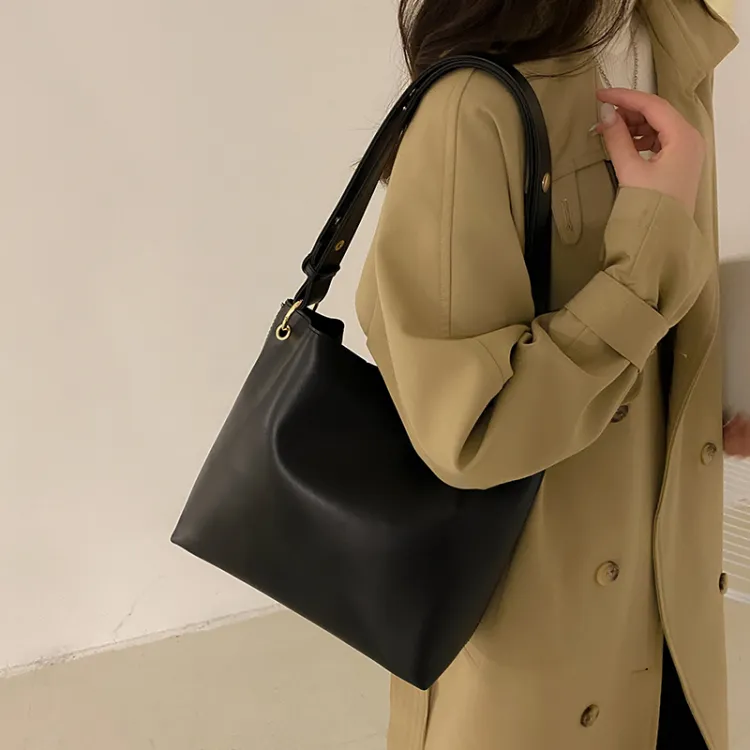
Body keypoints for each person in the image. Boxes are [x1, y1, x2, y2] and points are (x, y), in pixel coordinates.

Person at [355, 1, 742, 748]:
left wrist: (712, 390)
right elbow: (470, 434)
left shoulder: (675, 43)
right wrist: (649, 262)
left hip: (672, 623)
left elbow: (655, 320)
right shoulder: (472, 104)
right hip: (537, 659)